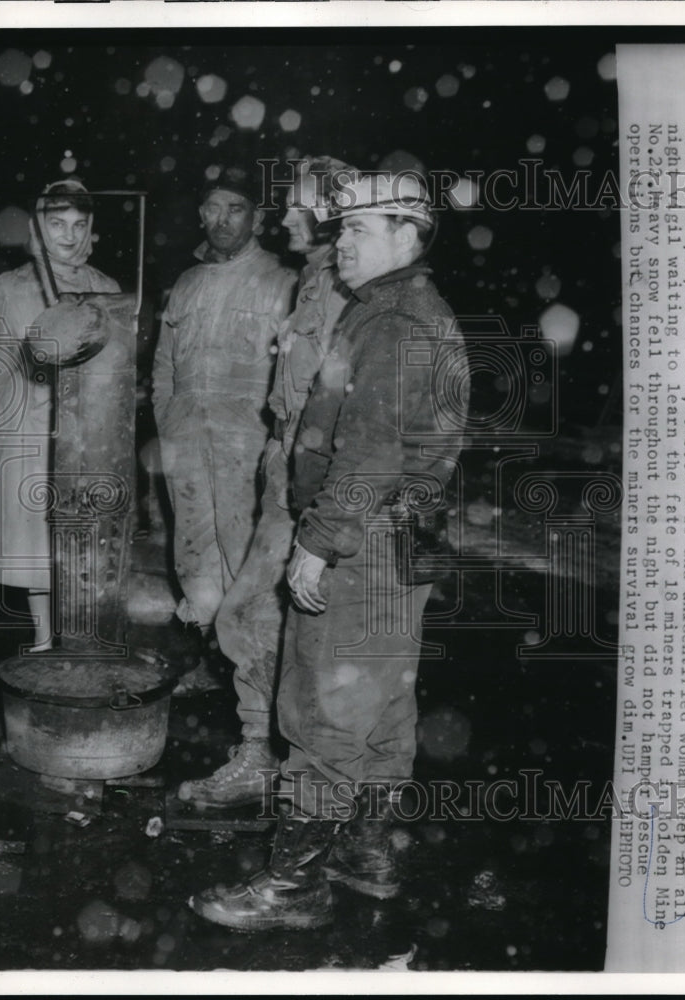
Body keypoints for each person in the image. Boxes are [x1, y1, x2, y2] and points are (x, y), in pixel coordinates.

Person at [189, 172, 468, 931]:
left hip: (366, 543)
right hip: (408, 541)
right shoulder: (408, 311)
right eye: (338, 228)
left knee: (321, 710)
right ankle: (367, 854)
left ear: (407, 235)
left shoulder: (392, 322)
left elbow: (371, 452)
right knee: (383, 707)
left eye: (357, 230)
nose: (338, 240)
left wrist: (317, 544)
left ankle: (291, 886)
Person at [178, 156, 356, 809]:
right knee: (268, 614)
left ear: (332, 214)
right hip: (287, 465)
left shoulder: (340, 289)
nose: (282, 217)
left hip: (314, 474)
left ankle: (282, 765)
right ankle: (275, 757)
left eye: (296, 207)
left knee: (258, 611)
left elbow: (346, 401)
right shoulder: (314, 281)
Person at [152, 166, 296, 690]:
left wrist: (274, 443)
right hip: (186, 442)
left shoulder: (283, 282)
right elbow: (164, 367)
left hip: (248, 446)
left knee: (247, 559)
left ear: (258, 218)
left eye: (235, 209)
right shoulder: (187, 284)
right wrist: (168, 422)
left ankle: (258, 681)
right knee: (193, 553)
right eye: (212, 208)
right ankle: (213, 665)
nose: (222, 220)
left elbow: (294, 375)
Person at [0, 179, 120, 651]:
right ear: (40, 225)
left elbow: (116, 368)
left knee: (83, 533)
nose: (68, 235)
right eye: (57, 224)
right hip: (32, 428)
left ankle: (83, 633)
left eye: (79, 225)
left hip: (91, 430)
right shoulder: (13, 285)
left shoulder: (105, 288)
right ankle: (43, 635)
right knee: (36, 538)